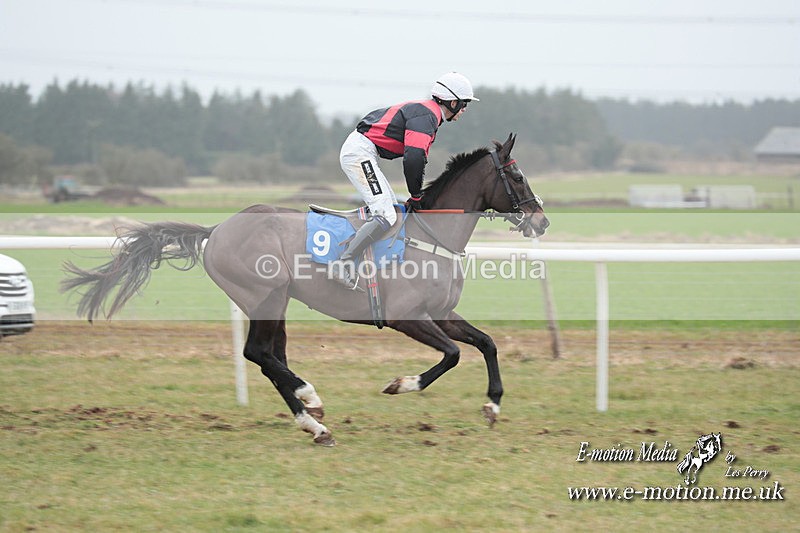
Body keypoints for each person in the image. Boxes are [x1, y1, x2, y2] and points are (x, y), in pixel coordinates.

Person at [331, 72, 479, 289]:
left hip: (364, 150)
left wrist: (415, 194)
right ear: (453, 101)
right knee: (386, 214)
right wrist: (416, 195)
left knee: (391, 211)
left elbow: (415, 160)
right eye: (464, 104)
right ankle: (342, 263)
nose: (464, 110)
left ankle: (372, 265)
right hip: (359, 152)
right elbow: (414, 160)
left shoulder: (428, 114)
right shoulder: (427, 117)